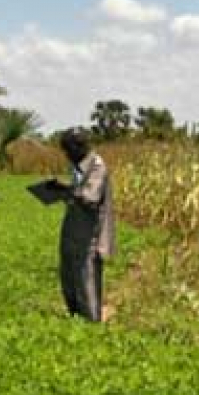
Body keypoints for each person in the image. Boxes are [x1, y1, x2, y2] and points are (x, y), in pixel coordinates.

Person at [49, 129, 115, 322]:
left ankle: (91, 323)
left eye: (68, 150)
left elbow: (91, 198)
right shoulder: (77, 166)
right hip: (73, 231)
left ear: (79, 147)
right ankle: (75, 317)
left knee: (87, 281)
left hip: (90, 235)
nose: (66, 154)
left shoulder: (97, 166)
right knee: (69, 276)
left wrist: (67, 190)